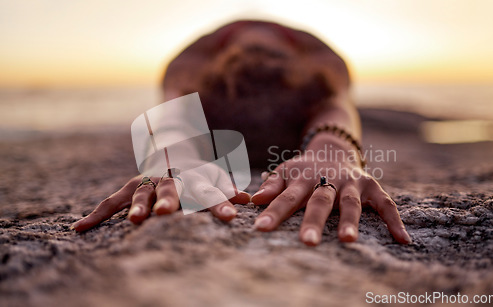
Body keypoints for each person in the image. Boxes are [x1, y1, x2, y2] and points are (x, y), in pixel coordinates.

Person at [71, 20, 412, 246]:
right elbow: (333, 108)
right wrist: (331, 153)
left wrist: (175, 158)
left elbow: (172, 119)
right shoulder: (319, 58)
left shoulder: (193, 62)